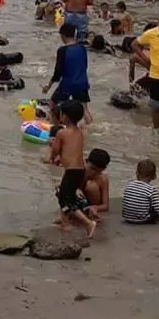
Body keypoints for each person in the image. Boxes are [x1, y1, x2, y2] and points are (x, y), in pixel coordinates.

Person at [49, 101, 97, 237]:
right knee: (65, 194)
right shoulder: (80, 132)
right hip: (79, 170)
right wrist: (62, 159)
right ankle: (65, 220)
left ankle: (88, 223)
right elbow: (73, 151)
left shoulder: (61, 133)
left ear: (65, 117)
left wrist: (53, 158)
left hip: (72, 171)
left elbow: (56, 149)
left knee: (64, 199)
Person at [43, 22, 93, 126]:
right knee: (84, 109)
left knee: (52, 105)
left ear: (62, 35)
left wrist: (48, 86)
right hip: (82, 82)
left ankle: (54, 128)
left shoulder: (62, 50)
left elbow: (58, 72)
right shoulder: (82, 48)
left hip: (67, 84)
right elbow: (85, 65)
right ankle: (91, 129)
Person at [122, 159, 159, 225]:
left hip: (127, 217)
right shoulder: (151, 189)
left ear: (137, 173)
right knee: (157, 197)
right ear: (154, 176)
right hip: (142, 219)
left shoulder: (129, 185)